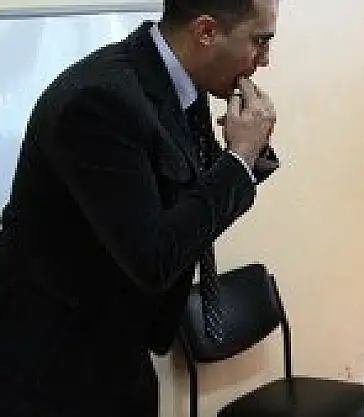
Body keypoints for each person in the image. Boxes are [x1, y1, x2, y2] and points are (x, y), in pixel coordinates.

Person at [0, 0, 280, 415]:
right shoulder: (99, 102)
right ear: (206, 32)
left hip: (121, 345)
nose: (265, 60)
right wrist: (238, 160)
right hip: (52, 366)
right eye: (259, 41)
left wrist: (246, 157)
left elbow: (191, 210)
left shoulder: (180, 86)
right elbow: (153, 256)